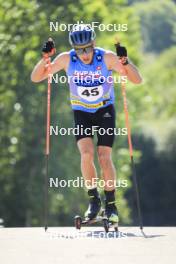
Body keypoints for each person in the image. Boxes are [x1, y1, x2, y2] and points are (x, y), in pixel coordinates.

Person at [31, 24, 142, 224]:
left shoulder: (106, 57)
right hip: (81, 111)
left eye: (87, 48)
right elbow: (36, 77)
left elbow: (136, 80)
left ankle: (111, 204)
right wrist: (45, 59)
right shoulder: (66, 59)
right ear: (74, 49)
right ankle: (94, 200)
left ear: (94, 44)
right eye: (79, 49)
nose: (84, 54)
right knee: (86, 154)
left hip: (104, 110)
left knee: (104, 157)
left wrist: (125, 63)